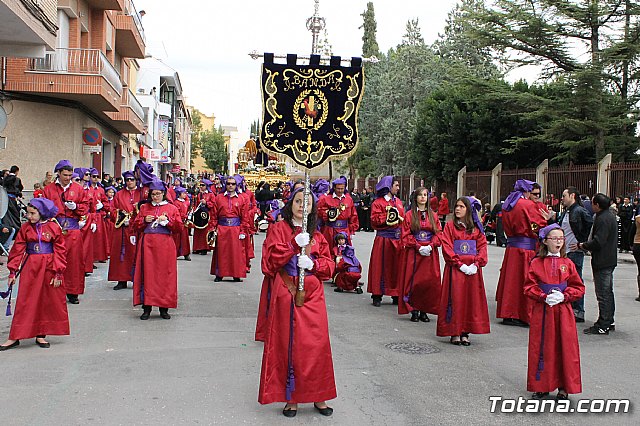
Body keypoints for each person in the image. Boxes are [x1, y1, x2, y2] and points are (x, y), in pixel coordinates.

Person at [258, 187, 336, 417]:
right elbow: (269, 262)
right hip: (287, 291)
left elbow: (329, 266)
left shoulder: (318, 235)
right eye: (299, 201)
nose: (303, 206)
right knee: (288, 344)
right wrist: (293, 246)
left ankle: (318, 394)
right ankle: (291, 397)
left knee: (316, 345)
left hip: (313, 295)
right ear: (291, 204)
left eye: (308, 203)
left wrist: (315, 265)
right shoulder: (278, 229)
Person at [525, 224, 584, 400]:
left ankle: (564, 386)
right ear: (545, 241)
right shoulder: (536, 263)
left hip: (563, 311)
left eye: (561, 238)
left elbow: (579, 287)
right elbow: (528, 286)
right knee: (543, 346)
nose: (558, 241)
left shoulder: (568, 263)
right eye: (554, 238)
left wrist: (565, 296)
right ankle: (542, 384)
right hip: (542, 311)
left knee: (564, 347)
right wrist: (542, 296)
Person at [0, 198, 68, 351]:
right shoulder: (25, 228)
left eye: (32, 213)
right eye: (28, 213)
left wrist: (58, 272)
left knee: (46, 299)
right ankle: (15, 336)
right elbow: (17, 250)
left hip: (49, 267)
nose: (29, 216)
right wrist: (12, 272)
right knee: (26, 299)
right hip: (30, 266)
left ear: (42, 213)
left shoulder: (53, 227)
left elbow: (61, 251)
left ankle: (41, 333)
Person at [436, 197, 490, 346]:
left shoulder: (476, 228)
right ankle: (454, 331)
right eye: (457, 206)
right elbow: (446, 246)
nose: (458, 209)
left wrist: (476, 264)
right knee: (455, 299)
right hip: (456, 269)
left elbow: (482, 246)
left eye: (462, 206)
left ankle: (465, 331)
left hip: (472, 270)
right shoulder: (450, 226)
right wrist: (459, 264)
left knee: (470, 300)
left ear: (469, 210)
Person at [495, 179, 546, 327]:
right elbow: (536, 225)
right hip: (526, 248)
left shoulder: (507, 205)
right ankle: (522, 314)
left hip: (512, 247)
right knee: (524, 281)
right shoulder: (528, 205)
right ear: (528, 191)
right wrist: (547, 222)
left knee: (511, 282)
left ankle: (508, 312)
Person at [540, 187, 593, 323]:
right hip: (566, 251)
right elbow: (560, 229)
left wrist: (582, 243)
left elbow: (589, 225)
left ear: (572, 196)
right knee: (566, 280)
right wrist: (550, 220)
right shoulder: (567, 212)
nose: (562, 198)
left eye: (564, 196)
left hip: (574, 252)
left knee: (575, 281)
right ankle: (571, 308)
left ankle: (578, 311)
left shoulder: (579, 211)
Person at [132, 179, 182, 320]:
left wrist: (168, 222)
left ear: (164, 193)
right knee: (147, 275)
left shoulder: (172, 208)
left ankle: (164, 308)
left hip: (165, 245)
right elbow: (135, 226)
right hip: (147, 245)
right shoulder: (144, 208)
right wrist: (143, 221)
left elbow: (179, 228)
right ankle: (146, 307)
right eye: (153, 194)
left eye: (158, 194)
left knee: (165, 275)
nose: (155, 196)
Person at [43, 160, 89, 304]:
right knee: (53, 261)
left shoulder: (78, 189)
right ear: (58, 173)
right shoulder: (49, 189)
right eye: (65, 175)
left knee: (74, 262)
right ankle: (53, 291)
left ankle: (72, 292)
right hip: (54, 229)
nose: (67, 177)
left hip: (73, 229)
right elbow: (43, 208)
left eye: (70, 175)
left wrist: (76, 206)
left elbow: (86, 206)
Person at [576, 193, 618, 335]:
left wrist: (582, 245)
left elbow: (598, 241)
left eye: (593, 203)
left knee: (603, 293)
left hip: (603, 260)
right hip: (608, 259)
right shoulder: (607, 216)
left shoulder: (603, 219)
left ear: (597, 205)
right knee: (607, 292)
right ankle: (608, 320)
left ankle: (603, 324)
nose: (591, 205)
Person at [398, 187, 442, 323]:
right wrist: (417, 246)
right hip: (414, 253)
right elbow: (405, 234)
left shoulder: (433, 215)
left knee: (428, 282)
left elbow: (439, 233)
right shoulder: (410, 215)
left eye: (425, 195)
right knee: (414, 281)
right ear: (415, 198)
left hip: (429, 253)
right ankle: (414, 309)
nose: (423, 197)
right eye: (420, 195)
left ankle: (425, 310)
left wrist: (430, 245)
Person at [367, 176, 405, 307]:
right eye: (396, 185)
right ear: (389, 187)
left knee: (396, 267)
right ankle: (377, 294)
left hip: (397, 239)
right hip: (384, 238)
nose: (398, 188)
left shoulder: (399, 202)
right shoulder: (378, 203)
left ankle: (396, 293)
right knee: (381, 267)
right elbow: (374, 220)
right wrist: (387, 217)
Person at [210, 176, 250, 282]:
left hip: (236, 228)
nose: (230, 186)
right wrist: (214, 228)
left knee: (236, 252)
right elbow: (214, 214)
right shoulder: (218, 198)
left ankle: (236, 274)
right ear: (225, 185)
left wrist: (242, 230)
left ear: (236, 185)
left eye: (233, 184)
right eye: (228, 184)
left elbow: (244, 216)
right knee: (222, 252)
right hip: (222, 228)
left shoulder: (241, 199)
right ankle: (220, 274)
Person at [109, 172, 140, 290]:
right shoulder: (119, 194)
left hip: (136, 229)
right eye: (127, 180)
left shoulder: (140, 193)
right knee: (121, 254)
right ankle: (121, 280)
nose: (129, 182)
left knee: (136, 253)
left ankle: (137, 279)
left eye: (132, 179)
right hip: (122, 228)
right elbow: (112, 210)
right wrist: (122, 217)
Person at [317, 176, 359, 254]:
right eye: (338, 188)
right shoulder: (326, 199)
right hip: (330, 230)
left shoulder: (348, 199)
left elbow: (354, 215)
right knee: (329, 251)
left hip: (344, 229)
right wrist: (329, 214)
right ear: (334, 188)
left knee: (344, 253)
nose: (340, 191)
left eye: (342, 189)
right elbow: (320, 212)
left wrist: (351, 230)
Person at [192, 179, 215, 255]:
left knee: (205, 231)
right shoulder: (199, 194)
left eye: (203, 185)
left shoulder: (211, 194)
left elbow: (213, 204)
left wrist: (206, 203)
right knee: (197, 230)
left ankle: (204, 248)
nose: (201, 187)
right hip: (199, 215)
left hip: (206, 215)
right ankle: (196, 248)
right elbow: (195, 204)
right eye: (200, 185)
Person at [1, 165, 23, 231]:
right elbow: (19, 188)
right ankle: (15, 228)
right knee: (14, 214)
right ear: (16, 171)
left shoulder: (5, 178)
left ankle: (6, 227)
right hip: (12, 199)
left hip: (4, 198)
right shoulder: (16, 179)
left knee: (5, 214)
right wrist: (19, 194)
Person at [173, 186, 191, 261]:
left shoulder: (185, 202)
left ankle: (186, 253)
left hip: (184, 222)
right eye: (183, 193)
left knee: (185, 238)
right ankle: (175, 253)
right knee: (177, 238)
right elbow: (177, 213)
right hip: (179, 222)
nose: (185, 195)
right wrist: (184, 216)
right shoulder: (176, 203)